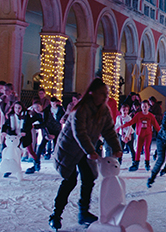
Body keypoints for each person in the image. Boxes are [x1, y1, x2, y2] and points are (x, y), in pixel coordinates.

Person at [49, 78, 122, 230]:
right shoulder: (80, 110)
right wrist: (90, 151)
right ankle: (55, 215)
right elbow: (79, 133)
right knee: (70, 181)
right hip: (69, 149)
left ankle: (83, 213)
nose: (105, 96)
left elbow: (109, 130)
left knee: (88, 178)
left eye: (106, 93)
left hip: (86, 150)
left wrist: (116, 147)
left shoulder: (104, 110)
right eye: (102, 93)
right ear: (92, 93)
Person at [120, 100, 160, 172]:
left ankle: (147, 164)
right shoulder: (138, 115)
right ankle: (136, 164)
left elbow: (156, 125)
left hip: (148, 134)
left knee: (146, 149)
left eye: (145, 107)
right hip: (140, 134)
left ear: (148, 107)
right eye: (142, 107)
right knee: (138, 149)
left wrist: (161, 133)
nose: (144, 108)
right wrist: (124, 125)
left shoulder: (150, 116)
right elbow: (131, 122)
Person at [22, 100, 45, 174]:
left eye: (38, 107)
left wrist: (34, 126)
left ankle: (36, 163)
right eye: (35, 108)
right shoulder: (29, 114)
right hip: (25, 133)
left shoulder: (45, 113)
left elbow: (45, 122)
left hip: (44, 132)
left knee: (34, 148)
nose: (37, 109)